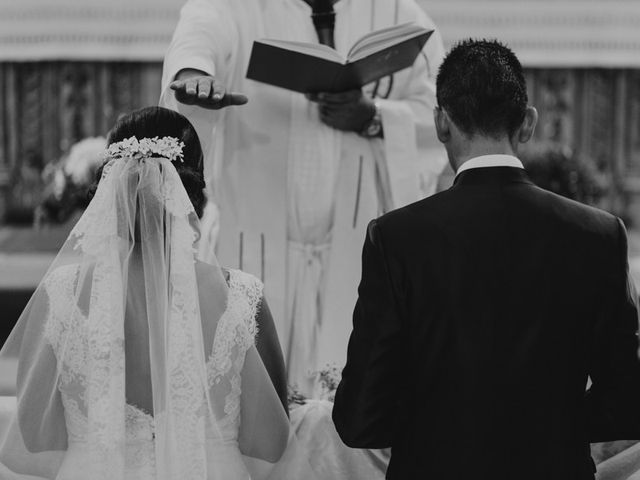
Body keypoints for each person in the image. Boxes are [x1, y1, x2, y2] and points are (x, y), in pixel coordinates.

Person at [332, 39, 640, 479]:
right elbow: (627, 403)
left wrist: (437, 427)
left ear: (441, 123)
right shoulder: (599, 235)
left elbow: (358, 418)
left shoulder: (396, 238)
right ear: (529, 123)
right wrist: (549, 427)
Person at [160, 0, 446, 396]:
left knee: (347, 415)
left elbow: (439, 114)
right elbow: (198, 36)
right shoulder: (234, 6)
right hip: (250, 247)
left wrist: (374, 115)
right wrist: (194, 72)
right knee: (241, 408)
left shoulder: (396, 12)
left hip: (353, 258)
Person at [0, 107, 304, 479]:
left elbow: (33, 436)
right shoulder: (241, 295)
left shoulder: (61, 293)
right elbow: (270, 443)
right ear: (192, 195)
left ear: (110, 191)